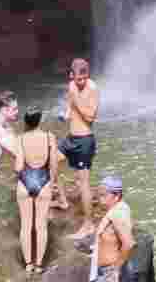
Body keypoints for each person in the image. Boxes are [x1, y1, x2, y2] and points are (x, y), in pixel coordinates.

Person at [14, 107, 60, 274]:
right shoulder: (50, 137)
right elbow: (54, 165)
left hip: (25, 182)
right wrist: (53, 183)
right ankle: (39, 265)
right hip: (44, 181)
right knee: (41, 226)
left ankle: (28, 264)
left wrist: (22, 171)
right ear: (40, 120)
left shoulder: (20, 138)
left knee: (26, 226)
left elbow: (18, 166)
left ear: (26, 122)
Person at [60, 57, 100, 237]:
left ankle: (89, 224)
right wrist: (67, 113)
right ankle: (61, 200)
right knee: (51, 160)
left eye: (85, 78)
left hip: (84, 140)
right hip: (71, 138)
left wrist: (77, 103)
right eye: (78, 79)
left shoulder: (92, 89)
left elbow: (91, 117)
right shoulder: (71, 86)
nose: (82, 82)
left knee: (83, 183)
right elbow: (70, 106)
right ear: (72, 76)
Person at [90, 174, 134, 282]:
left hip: (110, 273)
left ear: (116, 195)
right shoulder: (119, 208)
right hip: (106, 271)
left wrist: (116, 270)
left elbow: (129, 243)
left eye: (104, 195)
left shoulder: (117, 214)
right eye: (99, 194)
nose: (100, 197)